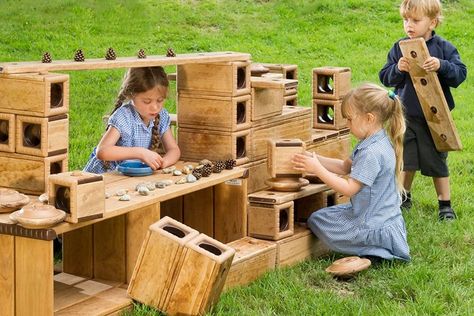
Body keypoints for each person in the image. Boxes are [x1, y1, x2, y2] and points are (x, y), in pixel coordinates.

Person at [292, 83, 410, 262]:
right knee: (321, 215)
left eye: (349, 119)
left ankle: (378, 251)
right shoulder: (375, 140)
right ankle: (378, 246)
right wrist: (313, 158)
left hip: (371, 224)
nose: (347, 124)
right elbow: (343, 167)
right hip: (379, 216)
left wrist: (317, 169)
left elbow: (348, 189)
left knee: (317, 221)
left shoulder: (371, 153)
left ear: (369, 118)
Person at [379, 0, 467, 220]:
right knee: (406, 160)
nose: (409, 25)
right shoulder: (399, 47)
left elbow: (460, 73)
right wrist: (398, 69)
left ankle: (445, 205)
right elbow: (385, 76)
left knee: (437, 160)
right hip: (405, 116)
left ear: (432, 22)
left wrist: (441, 65)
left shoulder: (443, 48)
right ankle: (403, 196)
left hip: (435, 119)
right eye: (405, 20)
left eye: (416, 20)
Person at [84, 66, 180, 173]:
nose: (155, 107)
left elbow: (174, 150)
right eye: (147, 101)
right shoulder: (124, 116)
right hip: (104, 176)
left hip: (127, 176)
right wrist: (140, 153)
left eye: (160, 100)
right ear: (132, 95)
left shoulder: (161, 116)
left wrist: (163, 162)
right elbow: (102, 151)